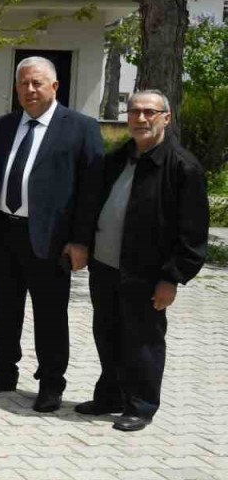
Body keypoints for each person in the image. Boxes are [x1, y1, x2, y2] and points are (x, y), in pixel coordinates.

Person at [0, 56, 104, 413]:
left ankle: (50, 382)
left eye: (37, 83)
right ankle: (2, 371)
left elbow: (90, 192)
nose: (29, 90)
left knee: (49, 315)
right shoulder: (4, 125)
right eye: (23, 84)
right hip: (4, 233)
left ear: (55, 87)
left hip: (51, 241)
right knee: (3, 310)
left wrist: (80, 241)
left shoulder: (81, 128)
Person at [75, 90, 208, 432]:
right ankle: (110, 396)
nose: (141, 118)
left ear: (167, 117)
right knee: (107, 333)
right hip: (106, 265)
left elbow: (192, 233)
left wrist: (172, 278)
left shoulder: (182, 166)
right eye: (134, 111)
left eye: (150, 112)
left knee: (143, 341)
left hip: (147, 273)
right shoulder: (118, 157)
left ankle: (141, 405)